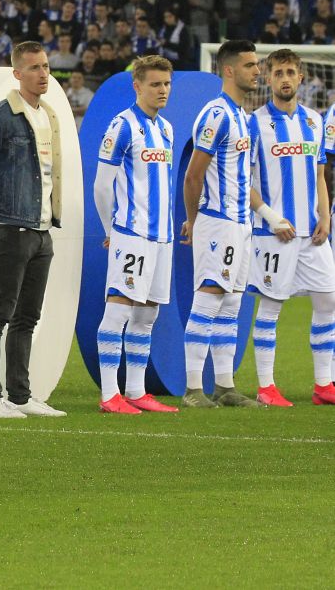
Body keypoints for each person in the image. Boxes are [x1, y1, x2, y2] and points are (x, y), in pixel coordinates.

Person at [0, 41, 66, 419]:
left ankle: (21, 395)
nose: (43, 74)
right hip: (10, 225)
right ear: (17, 73)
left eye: (45, 67)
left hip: (42, 227)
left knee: (28, 316)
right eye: (34, 68)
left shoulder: (49, 115)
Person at [180, 39, 271, 409]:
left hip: (241, 224)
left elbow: (240, 180)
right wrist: (193, 220)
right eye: (250, 65)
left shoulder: (244, 118)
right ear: (229, 70)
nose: (257, 71)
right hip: (217, 223)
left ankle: (224, 387)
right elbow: (193, 176)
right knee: (209, 298)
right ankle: (192, 390)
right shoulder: (215, 115)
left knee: (231, 303)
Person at [92, 55, 176, 415]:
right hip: (132, 233)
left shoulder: (167, 129)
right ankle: (110, 394)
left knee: (147, 315)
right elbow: (101, 185)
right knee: (118, 311)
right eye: (155, 84)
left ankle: (136, 390)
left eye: (166, 84)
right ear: (137, 86)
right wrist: (112, 229)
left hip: (162, 236)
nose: (162, 91)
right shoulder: (122, 126)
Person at [251, 50, 335, 405]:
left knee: (329, 300)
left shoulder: (314, 121)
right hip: (275, 233)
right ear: (268, 79)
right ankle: (266, 387)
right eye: (278, 73)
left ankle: (323, 385)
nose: (285, 78)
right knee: (271, 306)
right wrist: (271, 217)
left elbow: (319, 174)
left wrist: (326, 215)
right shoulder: (253, 123)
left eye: (291, 72)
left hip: (312, 233)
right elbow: (243, 182)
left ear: (301, 78)